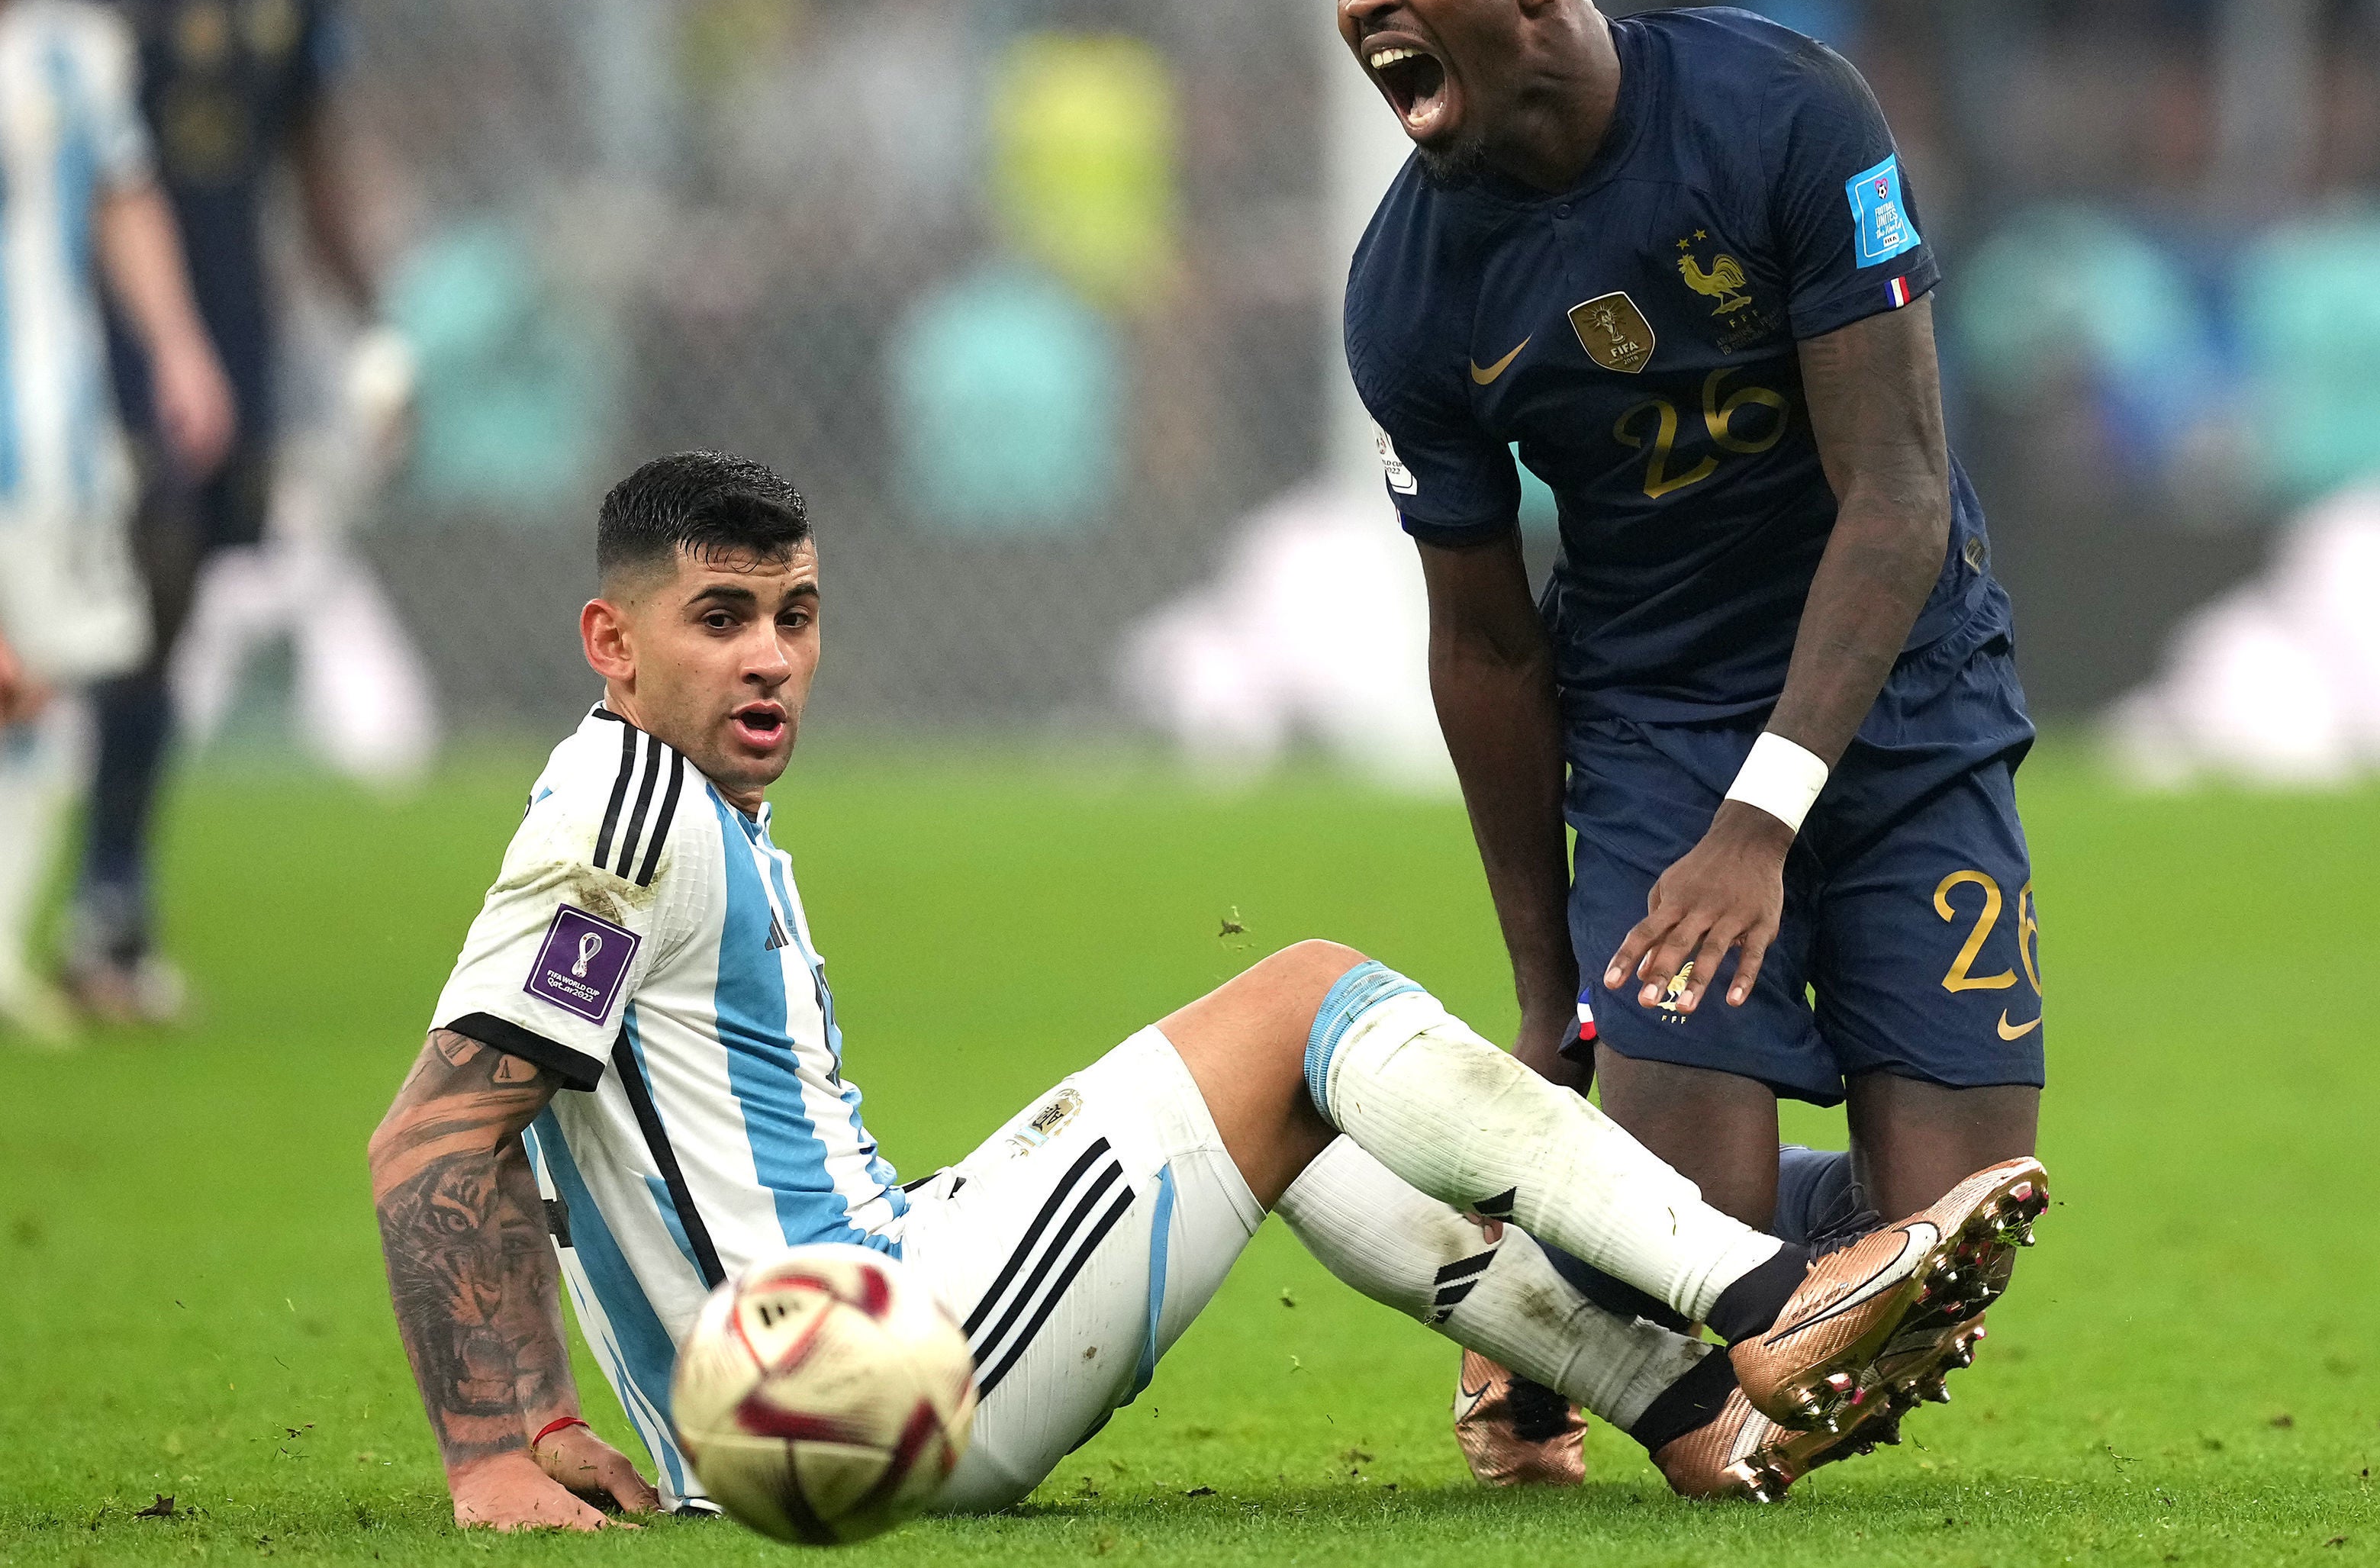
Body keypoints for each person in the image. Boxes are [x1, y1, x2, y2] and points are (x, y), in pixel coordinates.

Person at [366, 452, 2050, 1531]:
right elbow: (441, 1133)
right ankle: (1767, 1300)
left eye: (794, 615)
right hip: (871, 1360)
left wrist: (552, 1416)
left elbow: (510, 1133)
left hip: (794, 1407)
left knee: (1311, 1111)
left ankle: (1687, 1415)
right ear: (613, 642)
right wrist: (496, 1453)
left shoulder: (670, 813)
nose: (769, 656)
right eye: (718, 618)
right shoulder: (626, 806)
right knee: (1312, 999)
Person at [1329, 0, 2044, 1481]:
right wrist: (1539, 990)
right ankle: (1557, 1285)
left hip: (1905, 685)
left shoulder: (1786, 112)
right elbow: (1489, 648)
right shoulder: (1409, 291)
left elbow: (1895, 495)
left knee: (1951, 1236)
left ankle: (1569, 1254)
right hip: (1654, 715)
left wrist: (1762, 823)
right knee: (1695, 1259)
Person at [35, 0, 391, 1022]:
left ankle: (109, 898)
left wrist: (373, 332)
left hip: (226, 336)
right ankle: (105, 902)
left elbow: (317, 156)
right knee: (149, 566)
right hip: (75, 343)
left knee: (161, 609)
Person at [0, 0, 234, 1046]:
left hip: (51, 439)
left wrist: (180, 346)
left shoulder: (70, 49)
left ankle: (5, 948)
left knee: (42, 688)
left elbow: (125, 201)